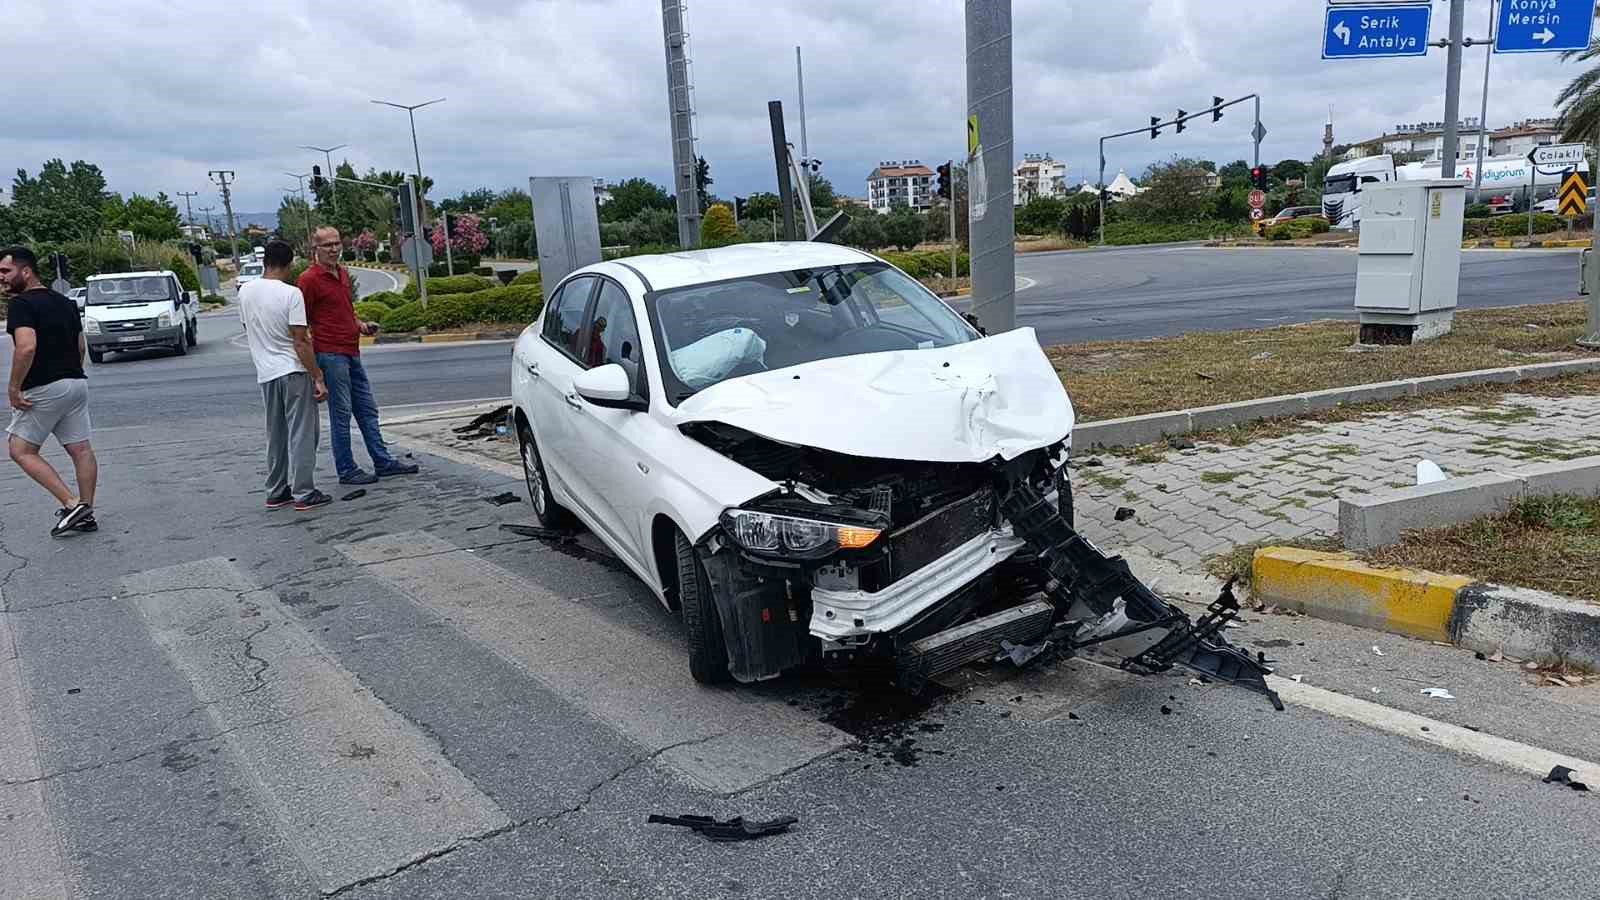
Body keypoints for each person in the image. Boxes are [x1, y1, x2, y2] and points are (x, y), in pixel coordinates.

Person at [297, 226, 418, 485]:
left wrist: (360, 325)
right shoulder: (309, 279)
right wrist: (314, 370)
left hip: (352, 351)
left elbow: (346, 310)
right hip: (330, 355)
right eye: (327, 245)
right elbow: (301, 323)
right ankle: (346, 469)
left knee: (367, 409)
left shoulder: (341, 273)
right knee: (341, 414)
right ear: (315, 249)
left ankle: (382, 461)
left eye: (337, 243)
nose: (333, 249)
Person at [3, 246, 98, 537]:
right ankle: (86, 511)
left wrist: (14, 388)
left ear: (26, 271)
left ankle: (72, 504)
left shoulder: (21, 305)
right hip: (76, 383)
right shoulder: (65, 302)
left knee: (20, 450)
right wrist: (70, 374)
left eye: (6, 272)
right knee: (81, 449)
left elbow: (26, 346)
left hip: (44, 388)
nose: (2, 279)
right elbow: (81, 345)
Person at [240, 240, 332, 511]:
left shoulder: (245, 291)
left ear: (264, 261)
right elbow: (301, 340)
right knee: (303, 432)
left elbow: (247, 326)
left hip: (266, 373)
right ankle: (304, 492)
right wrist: (317, 376)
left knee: (276, 433)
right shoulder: (292, 294)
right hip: (292, 371)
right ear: (290, 263)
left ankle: (277, 490)